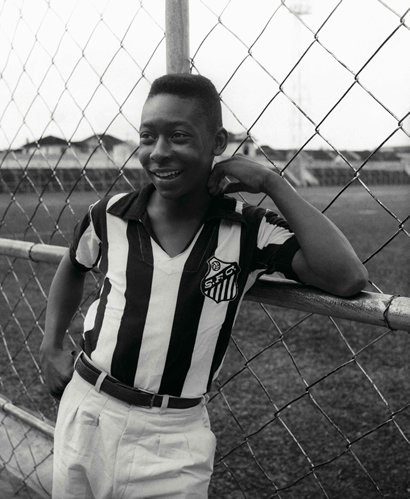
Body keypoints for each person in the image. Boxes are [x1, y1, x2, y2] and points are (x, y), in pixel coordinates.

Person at [40, 73, 368, 498]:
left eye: (178, 136)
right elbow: (72, 266)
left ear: (217, 143)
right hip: (86, 408)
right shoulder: (111, 215)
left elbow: (346, 277)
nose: (159, 153)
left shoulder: (249, 230)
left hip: (172, 434)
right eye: (147, 136)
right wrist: (50, 345)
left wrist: (271, 182)